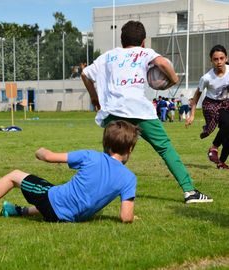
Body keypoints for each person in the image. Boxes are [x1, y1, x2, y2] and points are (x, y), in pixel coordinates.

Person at [81, 20, 212, 203]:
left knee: (110, 153)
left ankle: (98, 193)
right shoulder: (145, 52)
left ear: (122, 39)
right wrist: (173, 79)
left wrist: (94, 98)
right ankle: (190, 192)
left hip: (114, 110)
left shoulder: (109, 56)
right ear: (143, 41)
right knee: (165, 148)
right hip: (139, 111)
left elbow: (85, 74)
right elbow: (160, 62)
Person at [0, 120, 139, 223]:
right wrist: (132, 217)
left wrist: (40, 151)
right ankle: (17, 211)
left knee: (14, 176)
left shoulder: (90, 156)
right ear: (130, 149)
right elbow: (125, 216)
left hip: (54, 205)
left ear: (106, 144)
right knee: (55, 191)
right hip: (71, 217)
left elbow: (49, 157)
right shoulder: (129, 178)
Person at [186, 44, 229, 169]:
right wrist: (192, 114)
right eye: (216, 59)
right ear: (211, 60)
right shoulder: (206, 78)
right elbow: (197, 95)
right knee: (228, 123)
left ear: (226, 58)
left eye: (221, 58)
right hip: (211, 105)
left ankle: (221, 162)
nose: (219, 62)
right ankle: (214, 147)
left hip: (226, 103)